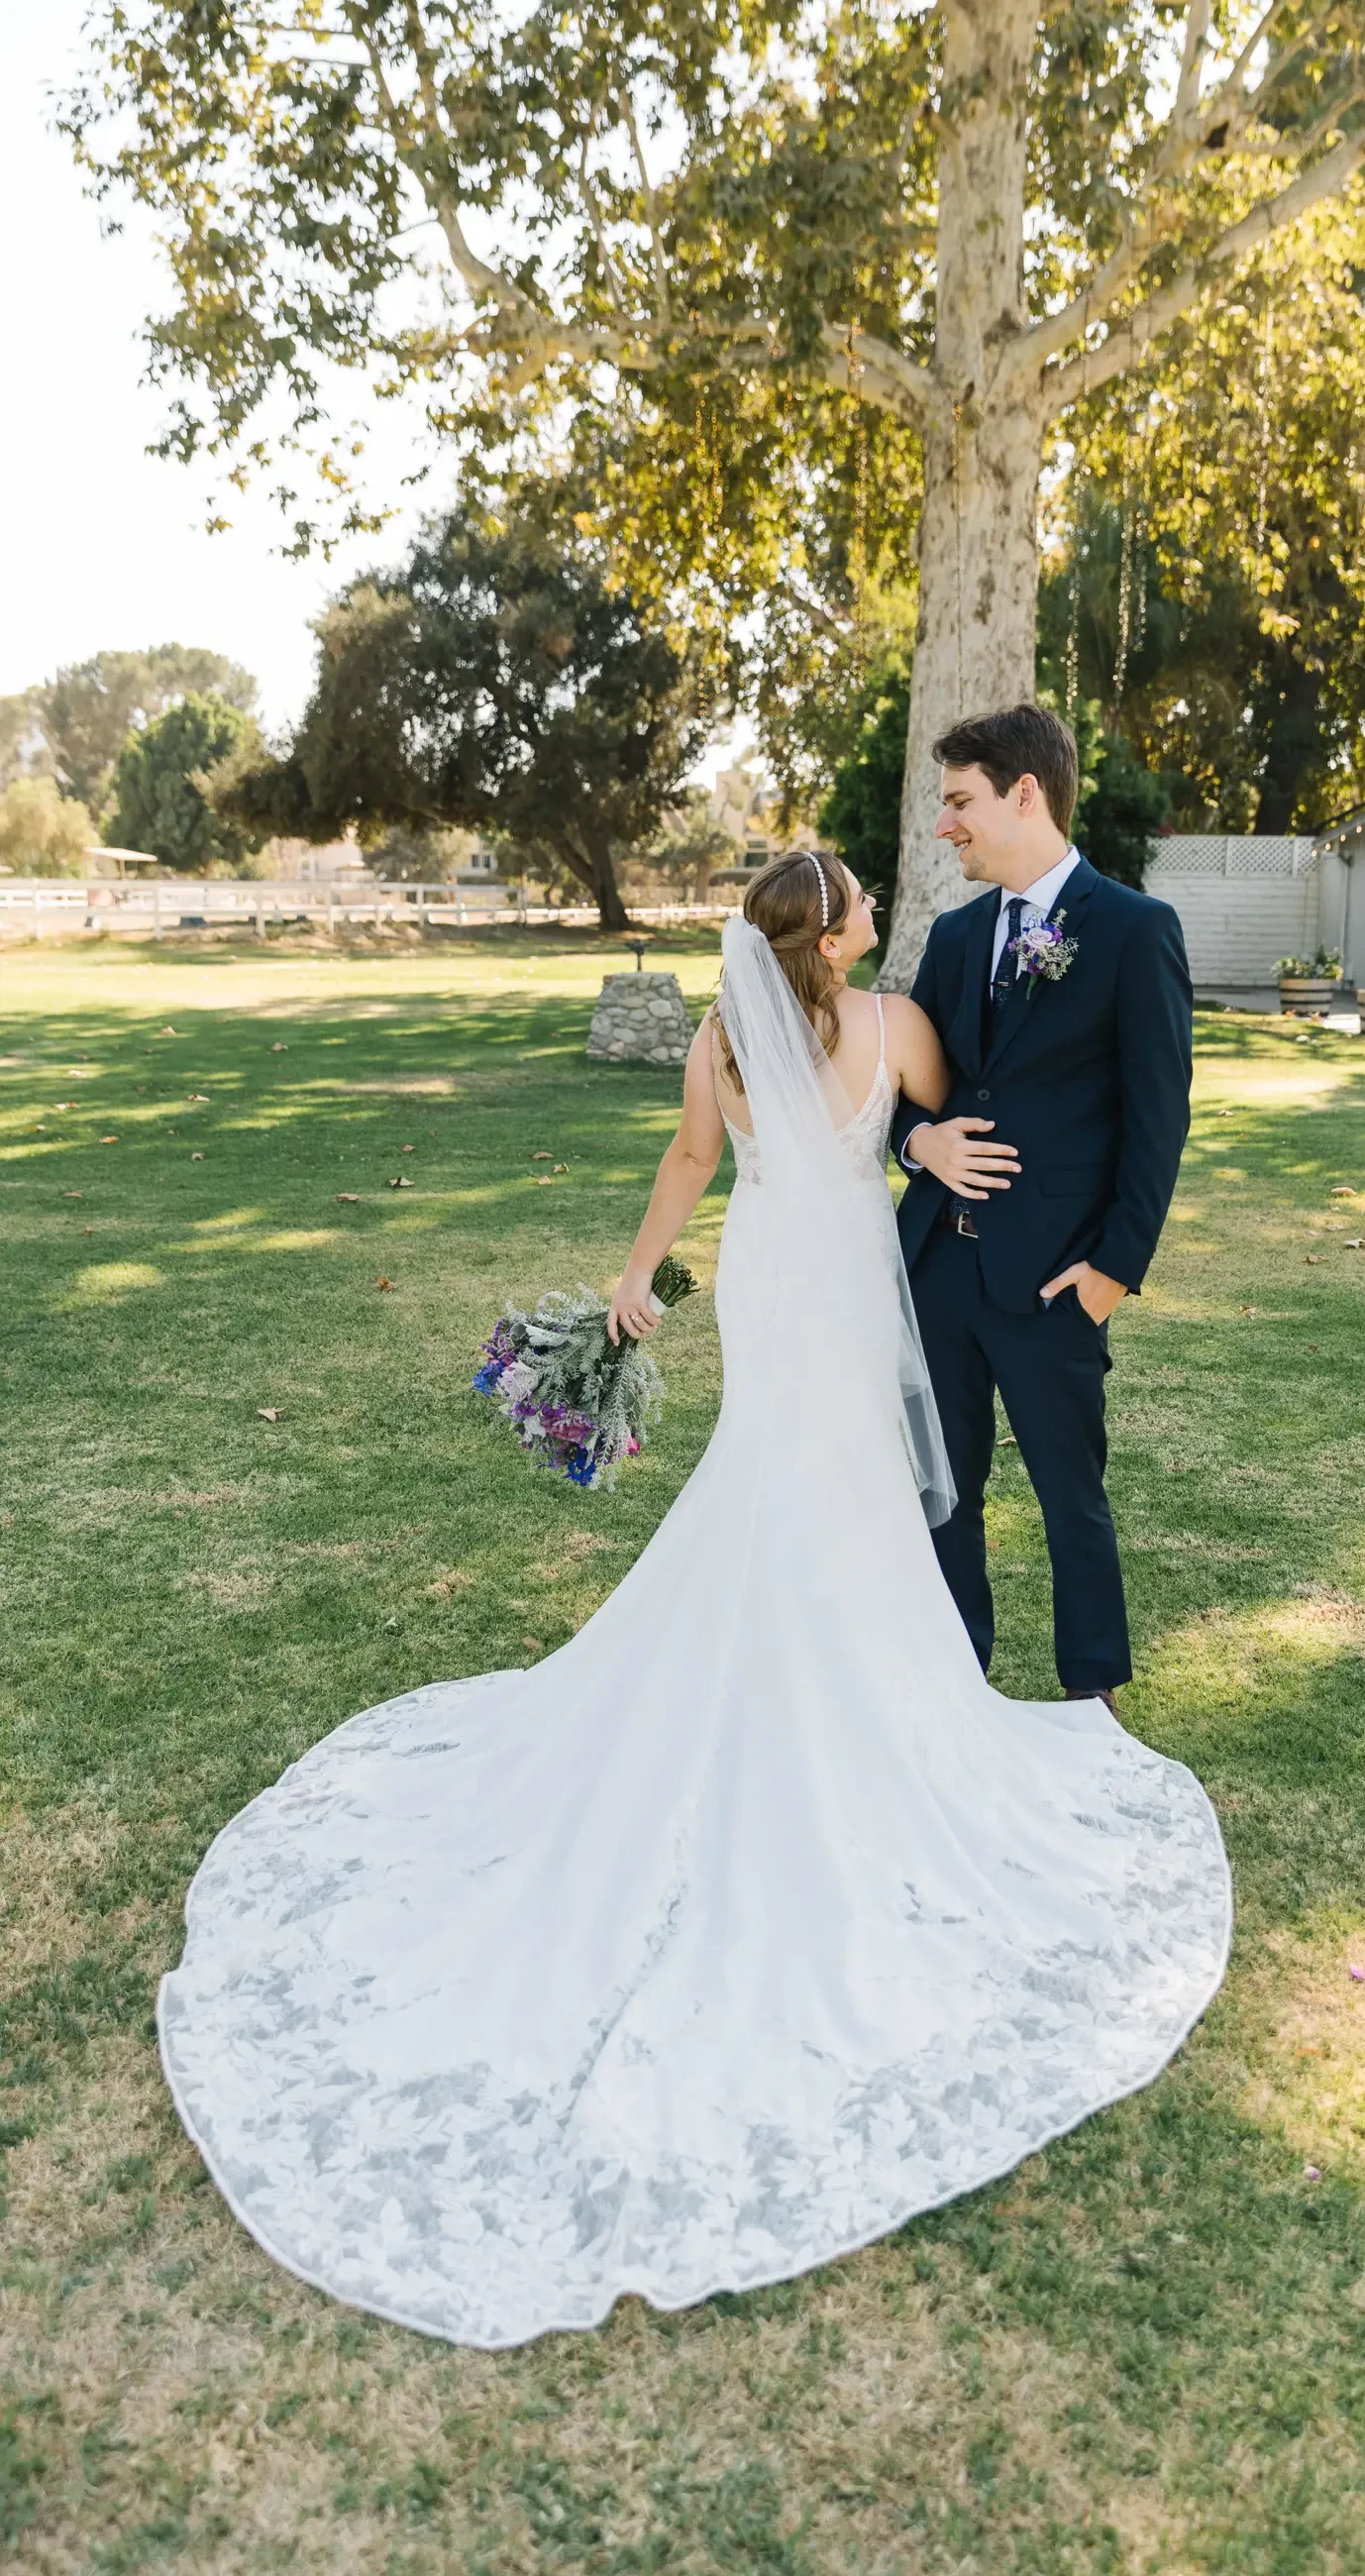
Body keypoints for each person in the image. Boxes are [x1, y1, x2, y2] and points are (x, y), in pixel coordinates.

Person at [157, 850, 1228, 2350]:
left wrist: (636, 1278)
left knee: (781, 1474)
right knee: (848, 1485)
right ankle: (854, 1704)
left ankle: (792, 1681)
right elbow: (940, 1115)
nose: (876, 915)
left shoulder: (725, 1037)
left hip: (775, 1275)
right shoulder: (899, 1022)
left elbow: (687, 1163)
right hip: (847, 1276)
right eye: (860, 905)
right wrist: (929, 1146)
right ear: (836, 939)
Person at [892, 704, 1193, 1708]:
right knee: (943, 1493)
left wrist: (1111, 1271)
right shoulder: (953, 936)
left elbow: (1156, 1119)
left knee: (1071, 1498)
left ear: (1024, 794)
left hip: (1056, 1275)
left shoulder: (1134, 930)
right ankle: (954, 1688)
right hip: (938, 1271)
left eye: (958, 801)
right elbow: (904, 1091)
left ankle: (1090, 1698)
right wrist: (919, 1142)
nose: (944, 825)